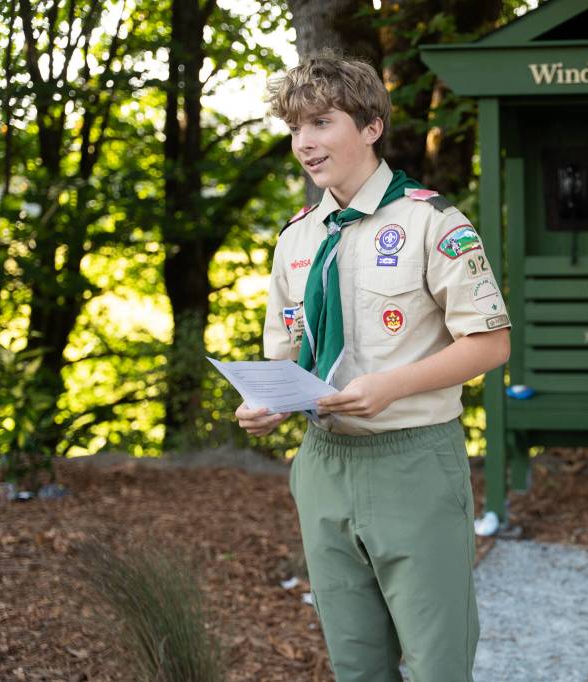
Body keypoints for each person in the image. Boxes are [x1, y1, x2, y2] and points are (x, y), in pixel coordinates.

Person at [235, 50, 511, 682]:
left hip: (412, 460)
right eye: (295, 129)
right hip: (323, 467)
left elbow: (490, 345)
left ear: (370, 127)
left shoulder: (431, 221)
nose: (304, 143)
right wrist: (268, 404)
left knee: (438, 663)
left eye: (321, 123)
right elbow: (285, 351)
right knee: (355, 665)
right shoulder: (297, 237)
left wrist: (389, 386)